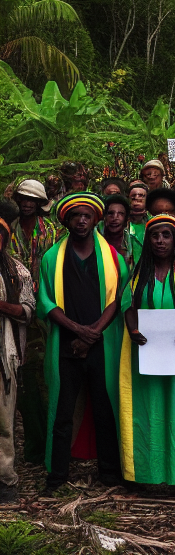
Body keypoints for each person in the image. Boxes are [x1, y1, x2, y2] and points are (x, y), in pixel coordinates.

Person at [37, 193, 126, 494]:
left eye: (87, 215)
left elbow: (120, 298)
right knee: (62, 413)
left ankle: (111, 474)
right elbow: (45, 302)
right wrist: (77, 331)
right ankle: (57, 477)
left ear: (95, 219)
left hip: (102, 345)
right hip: (65, 346)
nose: (82, 220)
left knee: (105, 408)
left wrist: (93, 334)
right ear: (66, 220)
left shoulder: (112, 257)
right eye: (75, 215)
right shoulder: (52, 258)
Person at [121, 213, 175, 486]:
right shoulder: (139, 273)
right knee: (150, 413)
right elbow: (127, 305)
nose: (160, 241)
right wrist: (133, 330)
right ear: (147, 240)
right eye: (154, 235)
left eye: (166, 235)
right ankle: (149, 473)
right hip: (147, 357)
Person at [10, 178, 62, 465]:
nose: (27, 203)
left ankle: (48, 446)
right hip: (13, 315)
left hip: (45, 315)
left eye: (33, 199)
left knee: (45, 380)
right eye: (23, 198)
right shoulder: (7, 232)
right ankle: (33, 444)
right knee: (23, 382)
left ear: (41, 203)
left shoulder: (53, 232)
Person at [0, 203, 35, 504]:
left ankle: (6, 481)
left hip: (4, 356)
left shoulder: (16, 270)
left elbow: (28, 311)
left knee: (3, 423)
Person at [101, 193, 140, 271]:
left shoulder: (134, 244)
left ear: (126, 219)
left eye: (120, 214)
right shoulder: (93, 242)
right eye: (110, 213)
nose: (115, 218)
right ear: (104, 217)